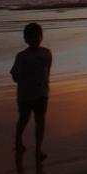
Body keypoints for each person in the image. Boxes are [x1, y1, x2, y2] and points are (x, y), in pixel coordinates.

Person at [11, 22, 53, 161]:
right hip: (25, 95)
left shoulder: (47, 52)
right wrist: (26, 78)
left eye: (37, 36)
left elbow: (48, 71)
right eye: (30, 37)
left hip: (42, 93)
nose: (34, 39)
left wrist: (46, 85)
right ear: (25, 39)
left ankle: (38, 149)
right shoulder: (21, 56)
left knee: (40, 121)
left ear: (41, 37)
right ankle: (18, 140)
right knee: (24, 119)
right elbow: (15, 76)